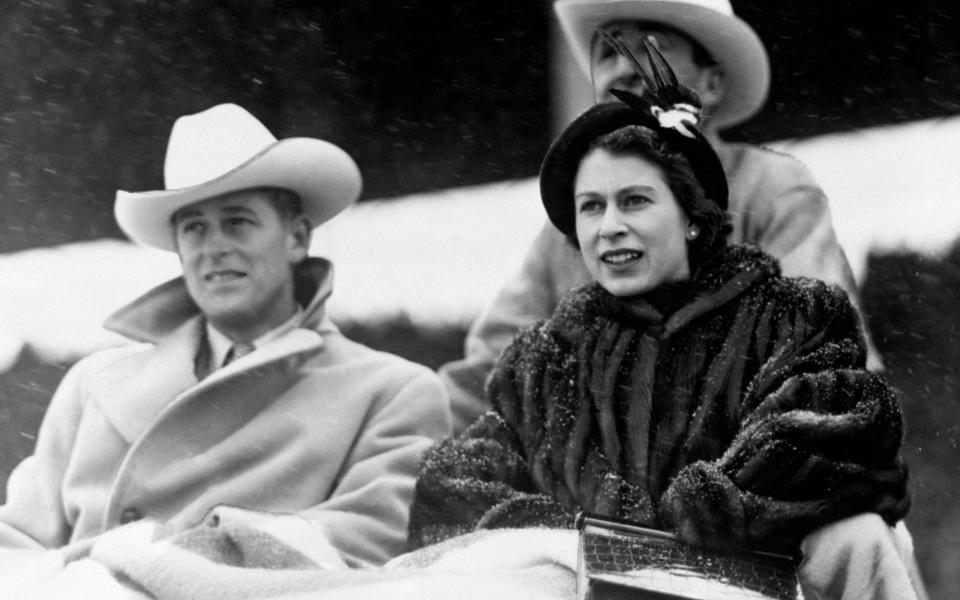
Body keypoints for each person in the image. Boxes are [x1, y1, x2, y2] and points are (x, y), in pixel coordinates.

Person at [409, 41, 920, 599]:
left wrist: (707, 509)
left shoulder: (790, 319)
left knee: (859, 537)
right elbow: (455, 486)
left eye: (635, 201)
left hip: (758, 580)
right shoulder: (544, 361)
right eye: (591, 207)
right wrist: (564, 535)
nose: (609, 227)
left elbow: (840, 431)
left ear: (694, 219)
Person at [0, 103, 451, 568]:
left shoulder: (390, 393)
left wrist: (162, 562)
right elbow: (18, 539)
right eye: (194, 227)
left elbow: (365, 543)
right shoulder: (92, 383)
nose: (214, 247)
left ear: (296, 238)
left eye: (237, 221)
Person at [441, 0, 882, 433]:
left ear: (710, 83)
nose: (624, 69)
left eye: (653, 47)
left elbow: (824, 349)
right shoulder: (574, 228)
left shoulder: (772, 187)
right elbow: (488, 373)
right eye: (610, 53)